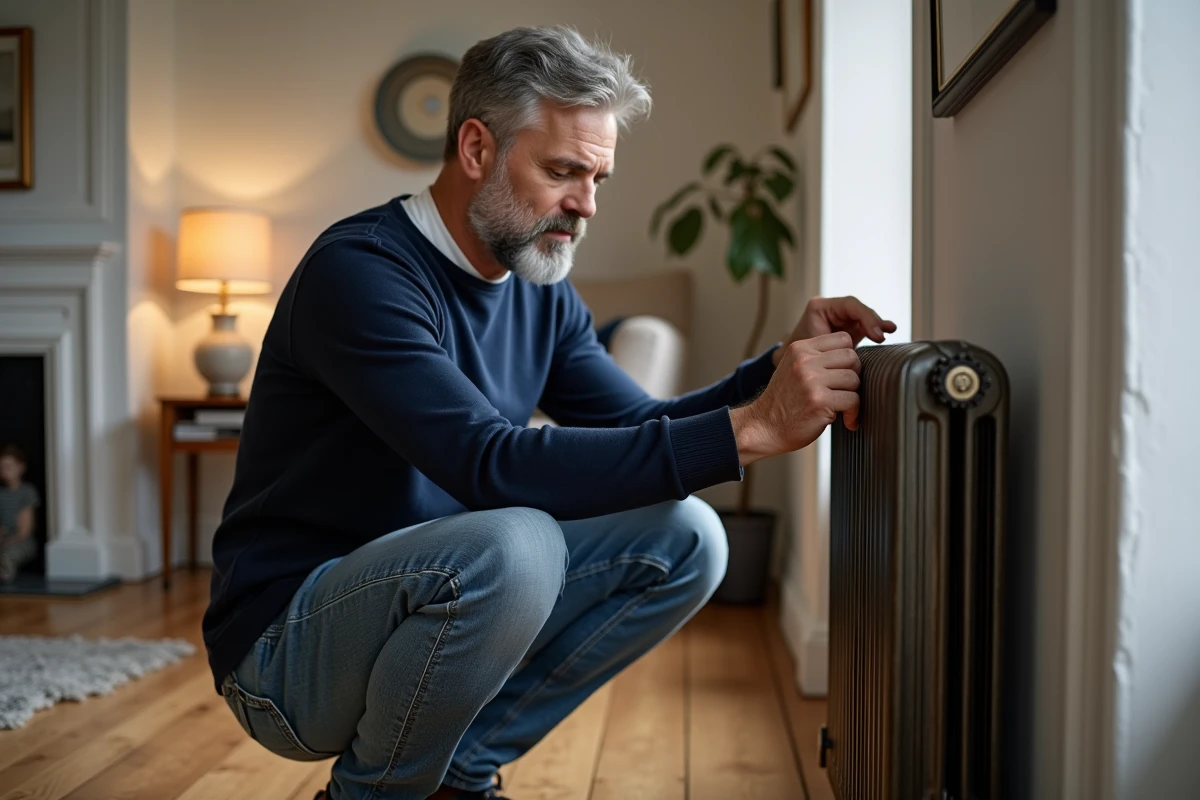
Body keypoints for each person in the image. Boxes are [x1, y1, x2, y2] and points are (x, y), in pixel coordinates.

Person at [202, 25, 895, 800]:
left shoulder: (538, 285)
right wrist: (755, 429)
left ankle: (460, 773)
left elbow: (636, 426)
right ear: (475, 150)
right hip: (283, 650)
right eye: (564, 171)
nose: (586, 205)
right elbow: (487, 462)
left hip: (421, 603)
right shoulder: (360, 273)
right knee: (518, 541)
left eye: (598, 178)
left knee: (688, 536)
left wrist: (774, 372)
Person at [0, 444, 40, 584]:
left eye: (9, 466)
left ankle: (5, 574)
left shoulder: (27, 492)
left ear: (21, 467)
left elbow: (25, 529)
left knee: (8, 553)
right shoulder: (1, 493)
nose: (5, 470)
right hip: (3, 537)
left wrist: (8, 540)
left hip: (21, 540)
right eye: (2, 467)